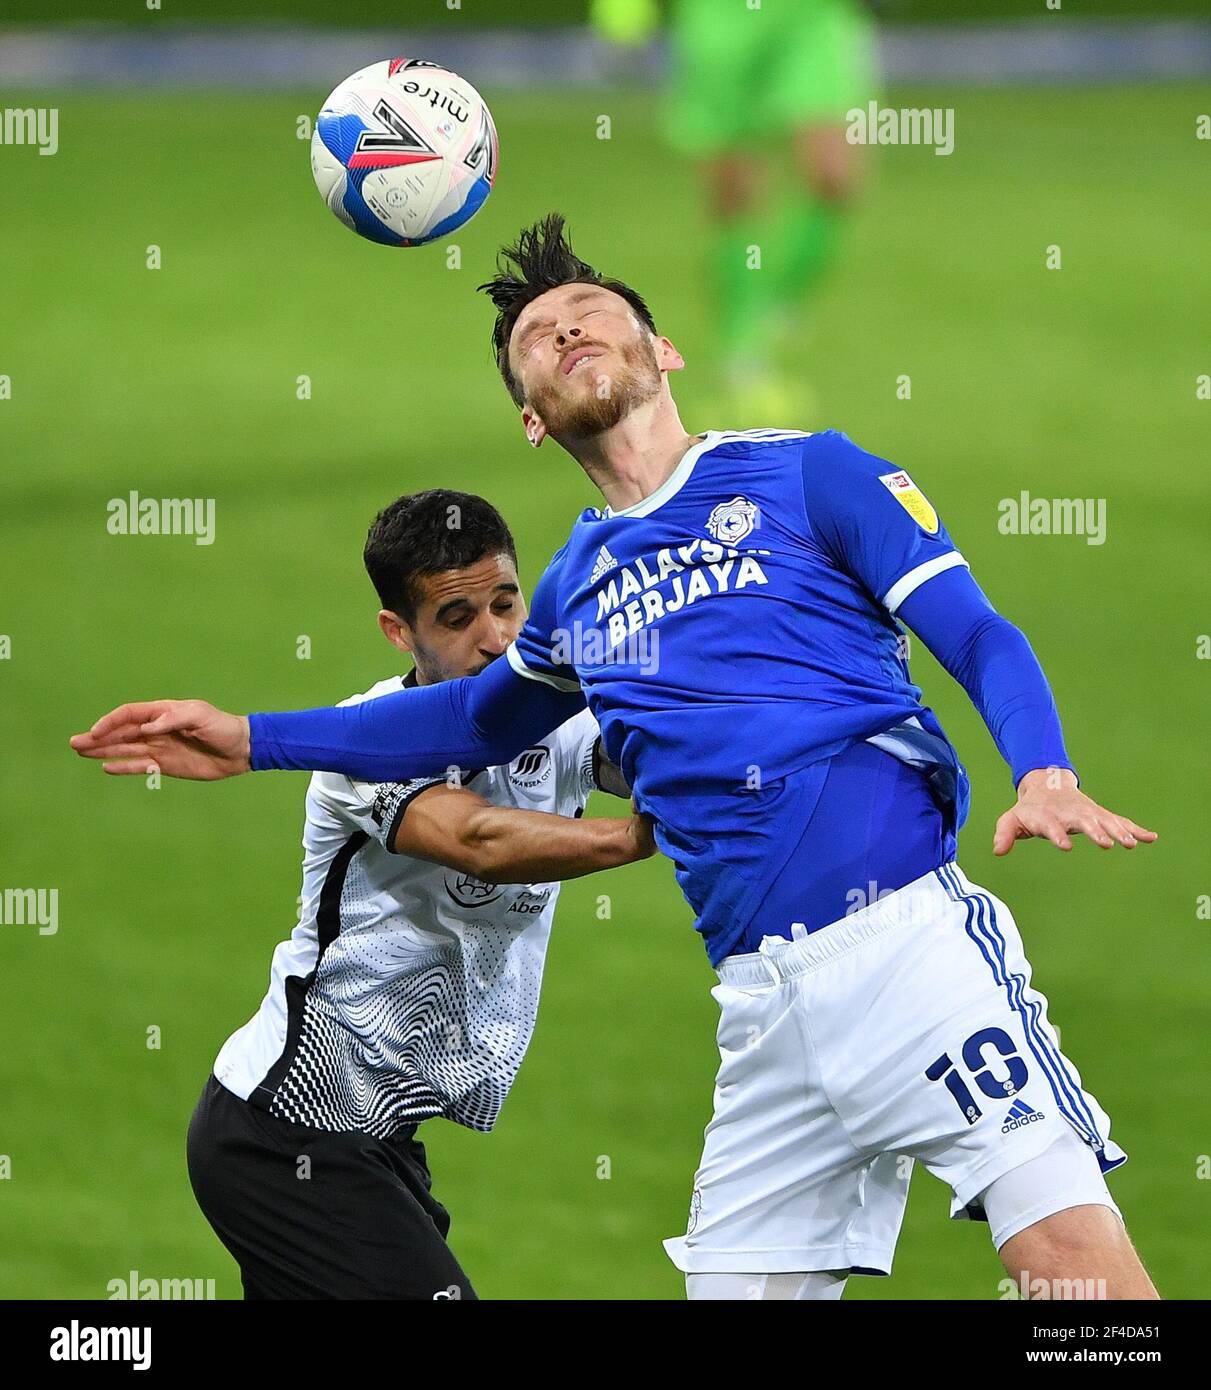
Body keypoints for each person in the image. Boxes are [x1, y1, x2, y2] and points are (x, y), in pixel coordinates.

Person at [73, 215, 1159, 1301]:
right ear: (532, 419)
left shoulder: (810, 477)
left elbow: (975, 633)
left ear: (662, 352)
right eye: (538, 339)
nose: (566, 330)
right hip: (761, 1011)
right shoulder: (574, 587)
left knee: (1068, 1274)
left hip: (906, 953)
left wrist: (1042, 769)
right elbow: (463, 725)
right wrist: (252, 738)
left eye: (591, 312)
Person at [185, 489, 652, 1299]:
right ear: (399, 632)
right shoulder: (363, 741)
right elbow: (480, 842)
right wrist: (639, 836)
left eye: (506, 604)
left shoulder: (554, 711)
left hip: (381, 1138)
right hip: (288, 1132)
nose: (493, 639)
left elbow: (636, 754)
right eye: (457, 617)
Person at [592, 0, 878, 424]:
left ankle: (779, 303)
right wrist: (623, 17)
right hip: (720, 23)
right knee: (736, 195)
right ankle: (744, 358)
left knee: (834, 176)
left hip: (811, 18)